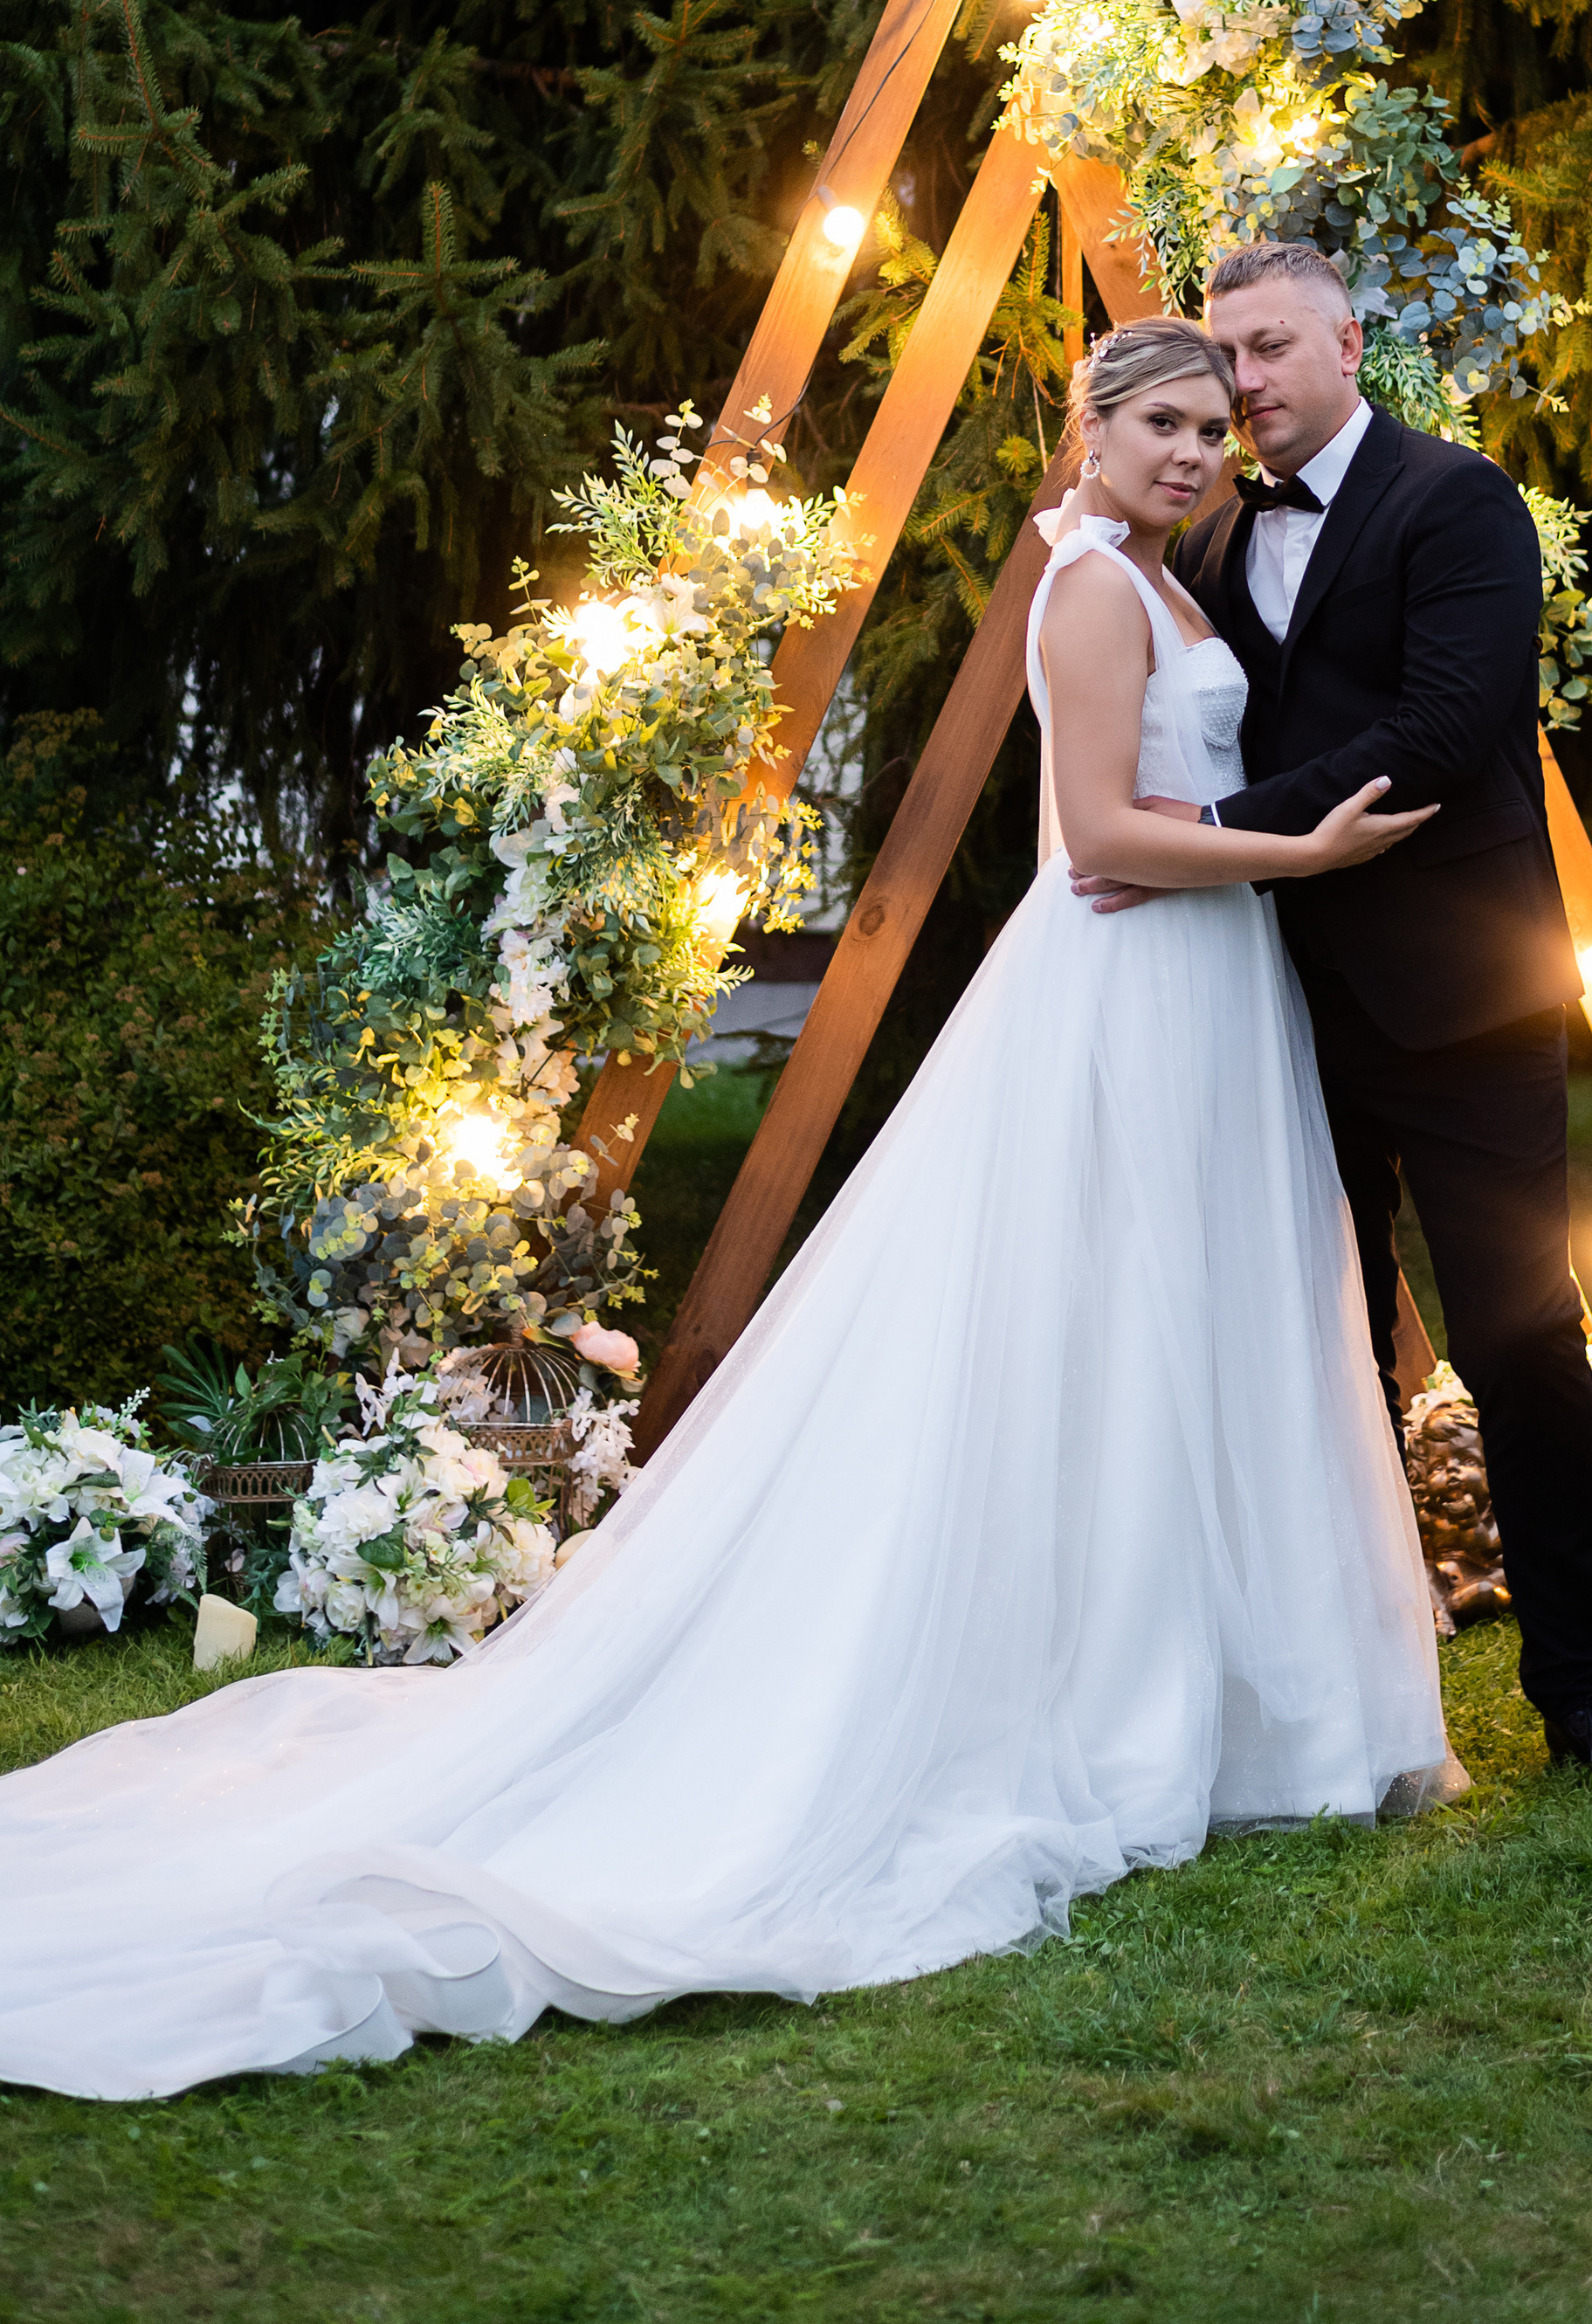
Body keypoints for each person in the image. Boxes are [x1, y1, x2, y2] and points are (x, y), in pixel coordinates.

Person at [0, 320, 1463, 2106]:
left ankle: (1227, 1694)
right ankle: (1127, 1706)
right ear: (1084, 429)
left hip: (1205, 990)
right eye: (1156, 422)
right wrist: (1296, 857)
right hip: (1133, 978)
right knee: (1110, 1315)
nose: (1189, 453)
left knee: (1201, 1316)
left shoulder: (1156, 579)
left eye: (1210, 430)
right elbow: (1092, 843)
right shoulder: (1083, 593)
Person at [1075, 244, 1592, 1808]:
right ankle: (1322, 1695)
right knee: (1309, 1341)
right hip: (1273, 1005)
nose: (1247, 385)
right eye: (1227, 361)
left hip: (1466, 995)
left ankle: (1582, 1694)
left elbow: (1440, 729)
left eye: (1273, 347)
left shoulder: (1458, 501)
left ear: (1350, 341)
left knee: (1518, 1333)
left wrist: (1212, 823)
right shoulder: (1200, 546)